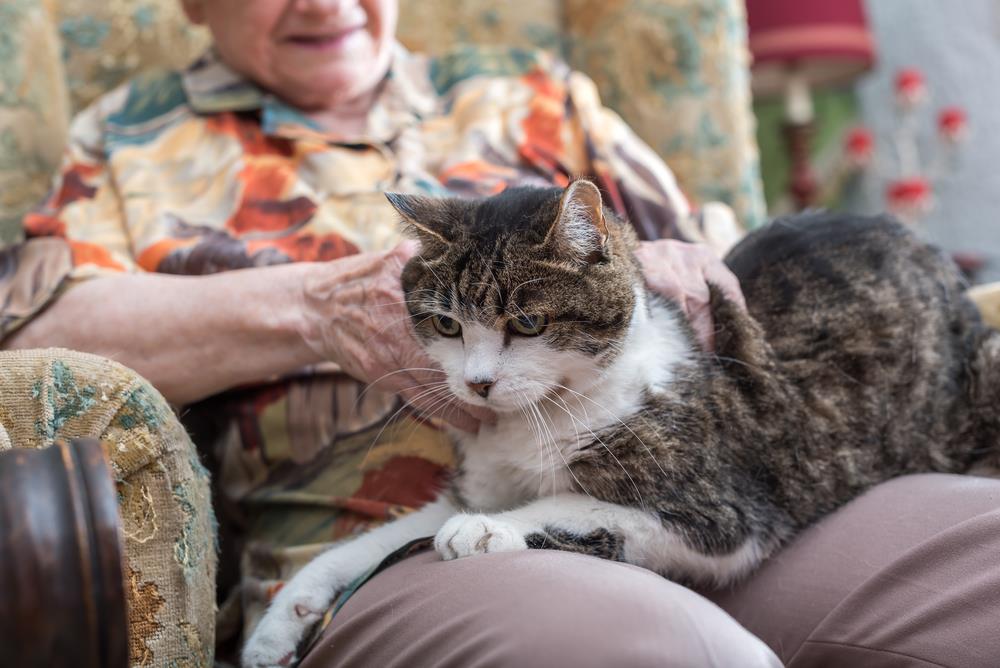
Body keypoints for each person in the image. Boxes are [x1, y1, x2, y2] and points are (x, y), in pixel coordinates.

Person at [2, 1, 998, 666]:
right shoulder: (127, 137)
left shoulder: (538, 92)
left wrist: (692, 271)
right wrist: (307, 309)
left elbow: (715, 267)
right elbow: (34, 350)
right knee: (667, 651)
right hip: (418, 551)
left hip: (710, 487)